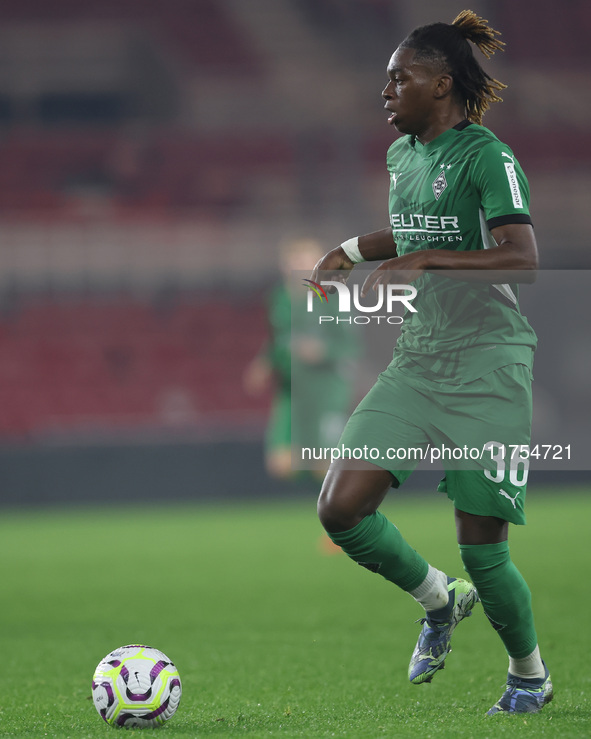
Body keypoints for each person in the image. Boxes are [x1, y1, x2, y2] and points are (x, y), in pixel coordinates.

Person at [310, 10, 552, 715]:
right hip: (418, 362)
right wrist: (351, 252)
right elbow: (415, 228)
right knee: (340, 507)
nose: (384, 91)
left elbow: (521, 260)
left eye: (398, 78)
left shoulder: (488, 157)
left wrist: (421, 259)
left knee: (485, 549)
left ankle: (527, 673)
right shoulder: (402, 157)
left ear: (440, 83)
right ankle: (438, 600)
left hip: (489, 367)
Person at [245, 237, 355, 480]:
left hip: (325, 390)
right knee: (281, 464)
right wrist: (265, 363)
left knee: (323, 464)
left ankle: (334, 510)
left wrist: (322, 350)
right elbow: (278, 339)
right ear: (285, 266)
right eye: (296, 261)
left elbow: (350, 345)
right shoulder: (278, 299)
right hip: (291, 389)